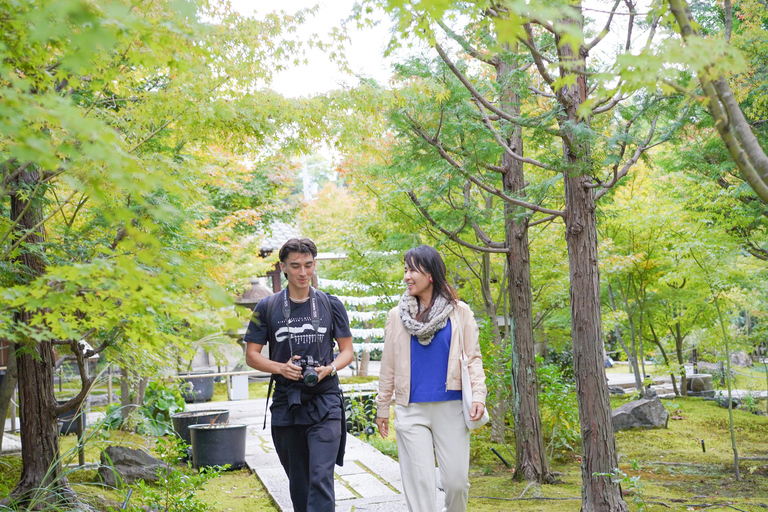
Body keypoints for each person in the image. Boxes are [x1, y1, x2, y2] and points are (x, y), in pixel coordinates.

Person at [245, 238, 354, 512]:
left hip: (326, 399)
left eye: (308, 265)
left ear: (314, 265)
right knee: (300, 485)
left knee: (321, 478)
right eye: (295, 266)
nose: (303, 273)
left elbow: (347, 352)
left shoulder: (331, 305)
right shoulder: (267, 307)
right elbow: (252, 355)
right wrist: (281, 367)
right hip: (286, 403)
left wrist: (329, 368)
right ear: (283, 267)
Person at [375, 245, 487, 512]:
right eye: (405, 270)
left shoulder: (459, 312)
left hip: (451, 408)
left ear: (432, 274)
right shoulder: (396, 316)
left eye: (413, 269)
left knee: (457, 483)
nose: (407, 276)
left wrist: (479, 396)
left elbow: (473, 358)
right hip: (410, 409)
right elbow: (388, 364)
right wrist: (382, 406)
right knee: (420, 483)